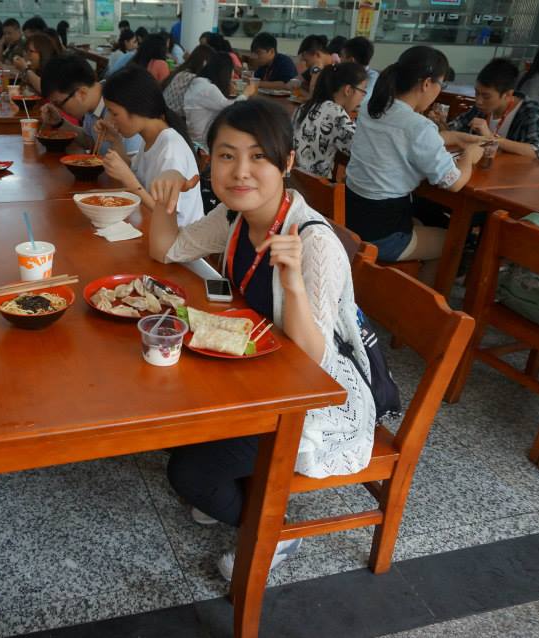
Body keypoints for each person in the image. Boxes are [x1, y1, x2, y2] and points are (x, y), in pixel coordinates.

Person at [147, 98, 375, 581]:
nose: (241, 172)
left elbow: (315, 361)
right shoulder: (235, 216)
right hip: (255, 373)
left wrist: (293, 286)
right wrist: (164, 197)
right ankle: (234, 488)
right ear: (209, 160)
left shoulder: (313, 242)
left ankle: (275, 531)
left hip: (311, 399)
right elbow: (167, 249)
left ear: (287, 162)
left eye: (259, 157)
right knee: (168, 422)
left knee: (187, 473)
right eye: (227, 156)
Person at [345, 46, 486, 283]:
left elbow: (402, 140)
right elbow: (454, 183)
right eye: (442, 84)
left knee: (425, 218)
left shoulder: (373, 109)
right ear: (427, 83)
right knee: (453, 241)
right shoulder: (417, 126)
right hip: (382, 233)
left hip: (352, 216)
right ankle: (420, 301)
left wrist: (453, 137)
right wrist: (469, 157)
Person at [98, 66, 203, 226]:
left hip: (179, 236)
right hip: (154, 227)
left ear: (137, 108)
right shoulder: (151, 137)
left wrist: (128, 179)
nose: (109, 119)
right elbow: (136, 174)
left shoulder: (171, 149)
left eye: (114, 113)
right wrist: (116, 141)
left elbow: (168, 216)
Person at [40, 53, 143, 156]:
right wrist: (59, 123)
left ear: (81, 93)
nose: (59, 109)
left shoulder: (122, 105)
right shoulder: (92, 103)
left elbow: (134, 163)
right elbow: (89, 140)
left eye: (59, 104)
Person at [449, 58, 539, 160]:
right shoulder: (481, 107)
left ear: (508, 95)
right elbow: (455, 126)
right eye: (476, 92)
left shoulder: (528, 111)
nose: (478, 101)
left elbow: (538, 151)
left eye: (486, 96)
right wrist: (443, 126)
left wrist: (491, 137)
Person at [292, 62, 367, 179]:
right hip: (317, 186)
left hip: (295, 179)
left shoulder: (304, 107)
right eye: (363, 91)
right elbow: (361, 148)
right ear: (348, 90)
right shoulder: (336, 114)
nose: (362, 97)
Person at [184, 51, 257, 149]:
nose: (233, 74)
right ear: (224, 71)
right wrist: (246, 93)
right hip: (203, 142)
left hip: (194, 137)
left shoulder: (199, 83)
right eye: (232, 70)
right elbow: (231, 109)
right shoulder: (208, 89)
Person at [162, 43, 214, 114]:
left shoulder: (182, 72)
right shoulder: (194, 79)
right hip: (175, 117)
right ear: (204, 63)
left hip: (165, 112)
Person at [341, 36, 379, 102]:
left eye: (342, 56)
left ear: (351, 60)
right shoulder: (346, 74)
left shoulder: (372, 78)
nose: (340, 60)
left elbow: (360, 102)